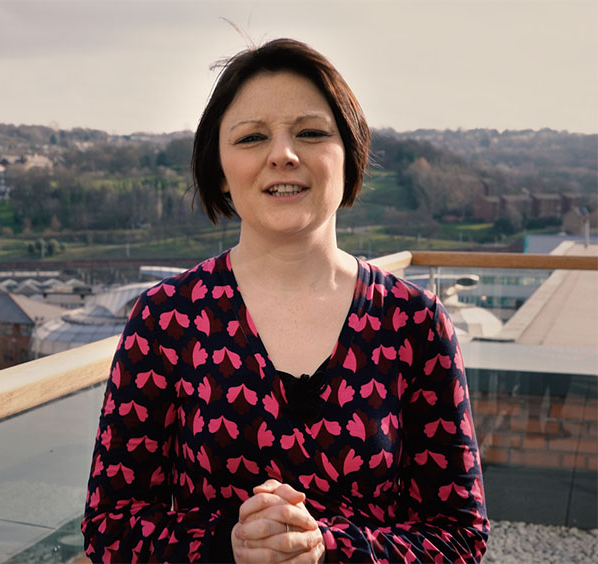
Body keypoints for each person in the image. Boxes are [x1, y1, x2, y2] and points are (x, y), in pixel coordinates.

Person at [82, 38, 488, 563]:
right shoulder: (166, 318)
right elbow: (110, 525)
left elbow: (458, 535)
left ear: (349, 154)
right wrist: (229, 545)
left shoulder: (415, 323)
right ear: (219, 168)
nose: (283, 155)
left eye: (311, 132)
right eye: (252, 137)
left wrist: (325, 550)